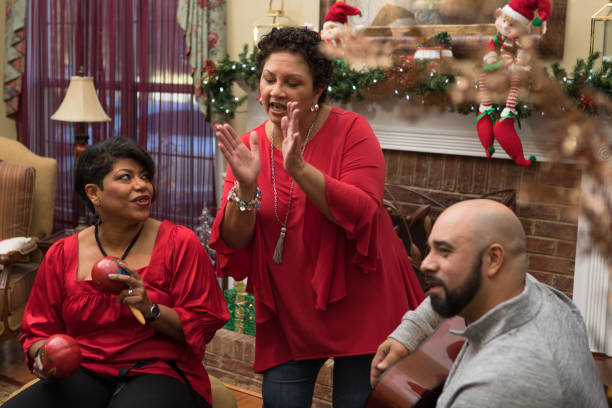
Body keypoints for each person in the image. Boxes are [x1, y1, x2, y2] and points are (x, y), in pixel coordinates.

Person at [210, 26, 424, 408]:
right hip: (290, 309)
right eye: (269, 78)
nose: (276, 91)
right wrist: (244, 190)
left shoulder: (352, 131)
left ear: (319, 88)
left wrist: (298, 168)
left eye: (293, 82)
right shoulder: (250, 147)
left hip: (363, 297)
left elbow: (362, 212)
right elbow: (235, 240)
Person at [4, 137, 229, 408]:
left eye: (145, 176)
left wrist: (150, 308)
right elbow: (38, 331)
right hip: (83, 370)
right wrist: (44, 355)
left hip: (159, 370)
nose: (141, 185)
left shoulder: (179, 243)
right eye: (126, 177)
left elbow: (202, 325)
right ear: (93, 193)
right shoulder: (62, 253)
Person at [371, 199, 607, 407]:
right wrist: (411, 332)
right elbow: (456, 286)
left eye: (444, 251)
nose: (425, 264)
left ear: (494, 259)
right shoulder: (543, 298)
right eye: (428, 250)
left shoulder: (494, 388)